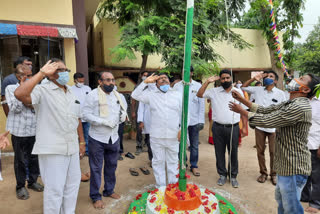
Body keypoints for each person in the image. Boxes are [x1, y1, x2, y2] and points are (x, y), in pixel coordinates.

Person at [229, 74, 320, 214]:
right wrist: (242, 100)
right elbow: (266, 110)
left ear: (306, 90)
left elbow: (268, 120)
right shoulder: (291, 102)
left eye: (301, 79)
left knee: (291, 209)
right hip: (286, 166)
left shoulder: (300, 106)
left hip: (293, 167)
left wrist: (242, 112)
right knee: (282, 204)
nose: (295, 79)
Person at [14, 59, 86, 214]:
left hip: (72, 147)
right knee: (54, 190)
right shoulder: (42, 90)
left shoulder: (71, 91)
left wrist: (82, 141)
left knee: (72, 185)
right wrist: (40, 73)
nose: (64, 73)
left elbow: (77, 117)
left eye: (65, 69)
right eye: (58, 69)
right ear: (50, 73)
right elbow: (19, 94)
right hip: (53, 149)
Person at [82, 71, 127, 209]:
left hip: (113, 138)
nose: (111, 82)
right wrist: (102, 122)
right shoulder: (92, 95)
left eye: (113, 80)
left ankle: (109, 190)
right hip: (97, 138)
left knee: (111, 166)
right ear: (100, 82)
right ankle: (95, 196)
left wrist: (123, 116)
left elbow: (123, 109)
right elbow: (85, 114)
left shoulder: (118, 95)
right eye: (107, 80)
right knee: (96, 168)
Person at [197, 69, 248, 188]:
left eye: (227, 78)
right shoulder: (214, 91)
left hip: (233, 127)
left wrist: (245, 127)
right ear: (220, 80)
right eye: (223, 78)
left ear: (231, 79)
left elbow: (244, 110)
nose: (225, 80)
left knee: (233, 152)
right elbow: (199, 94)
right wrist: (207, 82)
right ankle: (222, 175)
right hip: (218, 127)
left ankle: (233, 176)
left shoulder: (237, 92)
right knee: (219, 152)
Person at [131, 73, 182, 187]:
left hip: (173, 135)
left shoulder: (178, 95)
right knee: (158, 162)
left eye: (166, 78)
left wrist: (181, 129)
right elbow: (135, 95)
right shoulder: (151, 95)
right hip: (156, 136)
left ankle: (173, 187)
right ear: (156, 83)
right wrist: (145, 82)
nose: (164, 79)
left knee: (173, 162)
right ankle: (161, 188)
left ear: (169, 81)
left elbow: (185, 113)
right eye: (160, 79)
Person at [241, 71, 287, 185]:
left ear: (275, 80)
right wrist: (254, 79)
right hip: (259, 126)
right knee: (260, 151)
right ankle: (263, 173)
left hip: (274, 128)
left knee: (274, 152)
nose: (268, 78)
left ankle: (274, 174)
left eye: (271, 77)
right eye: (266, 76)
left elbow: (284, 110)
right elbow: (243, 87)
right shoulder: (258, 89)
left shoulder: (281, 94)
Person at [6, 64, 43, 200]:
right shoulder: (11, 88)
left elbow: (38, 105)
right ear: (18, 76)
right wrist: (22, 94)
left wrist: (26, 99)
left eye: (29, 75)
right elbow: (14, 109)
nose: (28, 78)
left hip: (34, 129)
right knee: (20, 160)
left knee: (34, 158)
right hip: (18, 130)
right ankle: (20, 186)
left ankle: (32, 182)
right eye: (24, 76)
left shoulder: (36, 88)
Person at [173, 66, 205, 176]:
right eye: (183, 72)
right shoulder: (177, 86)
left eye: (186, 72)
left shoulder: (198, 86)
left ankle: (194, 165)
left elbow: (201, 105)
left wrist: (201, 120)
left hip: (194, 121)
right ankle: (183, 163)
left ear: (192, 73)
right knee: (180, 144)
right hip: (180, 121)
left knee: (194, 145)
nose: (184, 74)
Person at [70, 73, 91, 181]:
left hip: (85, 117)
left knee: (86, 135)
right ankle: (77, 152)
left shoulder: (87, 88)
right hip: (75, 118)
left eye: (83, 80)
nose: (81, 82)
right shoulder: (70, 89)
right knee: (76, 136)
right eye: (79, 80)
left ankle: (85, 151)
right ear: (75, 80)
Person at [301, 97, 320, 213]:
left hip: (315, 145)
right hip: (303, 144)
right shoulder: (302, 100)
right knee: (305, 173)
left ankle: (316, 203)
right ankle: (305, 196)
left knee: (316, 176)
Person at [131, 71, 149, 155]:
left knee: (149, 130)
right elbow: (133, 100)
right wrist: (133, 111)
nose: (145, 77)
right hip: (139, 111)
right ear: (141, 76)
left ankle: (147, 145)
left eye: (146, 76)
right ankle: (139, 146)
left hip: (148, 112)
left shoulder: (151, 86)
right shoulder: (138, 87)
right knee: (139, 129)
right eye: (144, 75)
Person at [137, 101, 152, 166]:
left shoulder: (162, 92)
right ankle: (152, 159)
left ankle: (159, 160)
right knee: (149, 142)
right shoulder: (145, 93)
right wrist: (141, 121)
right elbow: (141, 109)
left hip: (159, 122)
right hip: (148, 121)